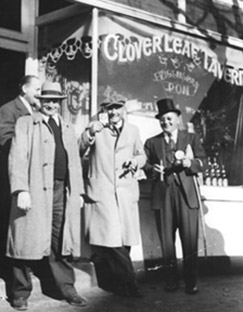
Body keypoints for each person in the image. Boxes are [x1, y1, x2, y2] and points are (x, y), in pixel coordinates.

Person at [6, 81, 86, 310]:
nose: (51, 104)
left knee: (61, 240)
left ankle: (68, 289)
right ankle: (20, 293)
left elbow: (76, 165)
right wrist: (21, 189)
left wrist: (78, 192)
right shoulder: (26, 123)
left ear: (60, 103)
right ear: (40, 101)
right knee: (25, 240)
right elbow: (18, 157)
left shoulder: (69, 128)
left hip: (62, 190)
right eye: (47, 100)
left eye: (56, 101)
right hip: (35, 187)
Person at [80, 99, 146, 297]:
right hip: (103, 191)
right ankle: (131, 282)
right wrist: (90, 133)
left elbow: (142, 155)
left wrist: (135, 161)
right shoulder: (96, 129)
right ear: (104, 111)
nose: (114, 112)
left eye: (117, 108)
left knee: (124, 241)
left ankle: (118, 284)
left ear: (123, 110)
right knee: (112, 241)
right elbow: (79, 149)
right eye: (110, 109)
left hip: (125, 192)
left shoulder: (133, 130)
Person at [143, 98, 206, 295]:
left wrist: (190, 163)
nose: (166, 122)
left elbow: (203, 161)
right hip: (163, 195)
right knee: (167, 243)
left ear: (178, 119)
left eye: (169, 119)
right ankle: (171, 280)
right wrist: (152, 169)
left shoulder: (191, 139)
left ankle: (191, 281)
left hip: (186, 195)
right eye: (162, 120)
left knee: (189, 241)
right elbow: (144, 166)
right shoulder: (152, 143)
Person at [0, 75, 41, 282]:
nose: (40, 93)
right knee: (11, 222)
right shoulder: (9, 109)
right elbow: (5, 139)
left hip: (32, 176)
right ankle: (9, 269)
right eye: (37, 89)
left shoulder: (37, 111)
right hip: (12, 177)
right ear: (25, 88)